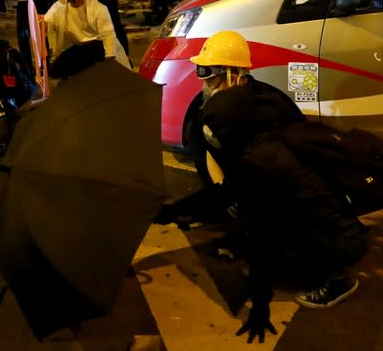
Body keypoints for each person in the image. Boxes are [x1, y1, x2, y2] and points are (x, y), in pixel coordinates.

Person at [156, 30, 370, 344]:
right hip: (303, 202)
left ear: (233, 75)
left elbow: (258, 217)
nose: (202, 83)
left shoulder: (260, 138)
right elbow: (236, 188)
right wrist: (172, 212)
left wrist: (259, 305)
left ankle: (334, 279)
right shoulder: (258, 101)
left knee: (273, 238)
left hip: (334, 231)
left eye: (207, 74)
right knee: (245, 206)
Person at [44, 0, 130, 79]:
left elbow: (108, 36)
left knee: (89, 58)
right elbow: (47, 21)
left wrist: (109, 60)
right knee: (56, 70)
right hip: (82, 48)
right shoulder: (60, 7)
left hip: (99, 47)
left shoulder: (98, 8)